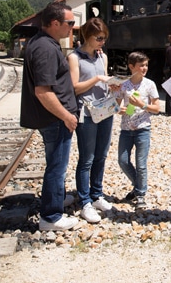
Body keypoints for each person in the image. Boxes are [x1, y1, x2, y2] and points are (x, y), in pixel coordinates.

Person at [20, 2, 79, 231]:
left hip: (54, 118)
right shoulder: (45, 48)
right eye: (70, 23)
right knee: (57, 167)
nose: (72, 28)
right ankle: (51, 217)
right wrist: (67, 116)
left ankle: (56, 199)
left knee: (56, 165)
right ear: (55, 23)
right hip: (55, 119)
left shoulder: (42, 42)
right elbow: (43, 91)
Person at [67, 18, 115, 224]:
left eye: (104, 38)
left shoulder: (102, 57)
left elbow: (105, 81)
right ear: (88, 36)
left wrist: (114, 85)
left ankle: (96, 194)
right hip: (86, 112)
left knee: (101, 155)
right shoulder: (74, 58)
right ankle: (84, 200)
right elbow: (75, 88)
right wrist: (97, 79)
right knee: (87, 158)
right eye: (99, 38)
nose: (102, 42)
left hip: (105, 110)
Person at [116, 51, 160, 210]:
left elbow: (157, 108)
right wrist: (119, 108)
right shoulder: (124, 84)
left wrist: (143, 105)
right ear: (131, 66)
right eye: (141, 65)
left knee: (141, 164)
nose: (145, 68)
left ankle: (140, 194)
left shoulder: (150, 84)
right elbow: (116, 104)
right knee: (122, 161)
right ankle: (138, 186)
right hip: (126, 129)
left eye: (146, 65)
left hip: (143, 129)